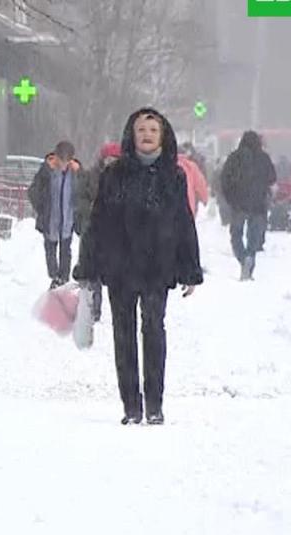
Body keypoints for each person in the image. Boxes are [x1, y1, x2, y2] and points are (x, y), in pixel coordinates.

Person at [76, 108, 203, 425]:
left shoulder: (173, 176)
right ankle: (131, 406)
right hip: (120, 267)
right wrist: (88, 268)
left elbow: (183, 222)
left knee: (154, 330)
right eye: (141, 130)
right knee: (124, 335)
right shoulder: (114, 174)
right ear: (131, 136)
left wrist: (190, 270)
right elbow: (98, 221)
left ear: (163, 136)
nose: (146, 135)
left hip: (157, 268)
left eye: (153, 130)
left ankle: (155, 405)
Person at [75, 142, 122, 321]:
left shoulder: (125, 179)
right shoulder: (91, 176)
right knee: (93, 271)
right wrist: (88, 213)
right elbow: (80, 199)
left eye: (115, 159)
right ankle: (95, 307)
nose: (111, 163)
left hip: (116, 232)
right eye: (108, 159)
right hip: (93, 229)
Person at [221, 130, 276, 280]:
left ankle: (242, 257)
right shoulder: (264, 158)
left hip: (238, 204)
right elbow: (272, 178)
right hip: (258, 205)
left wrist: (230, 198)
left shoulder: (234, 157)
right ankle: (250, 259)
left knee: (236, 235)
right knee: (253, 237)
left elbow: (224, 179)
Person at [28, 141, 81, 289]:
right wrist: (41, 208)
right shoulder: (47, 172)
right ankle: (53, 275)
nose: (62, 165)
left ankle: (63, 278)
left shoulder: (75, 173)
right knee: (50, 249)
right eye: (60, 161)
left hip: (67, 220)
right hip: (50, 219)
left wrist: (80, 172)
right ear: (55, 157)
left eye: (66, 162)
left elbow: (85, 190)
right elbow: (33, 191)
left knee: (66, 249)